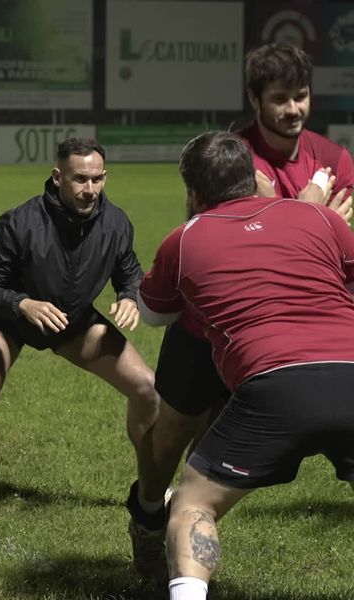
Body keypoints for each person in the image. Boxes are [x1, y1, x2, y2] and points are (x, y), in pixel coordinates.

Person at [126, 41, 354, 581]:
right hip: (207, 323)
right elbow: (213, 228)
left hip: (289, 330)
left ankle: (185, 524)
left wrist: (304, 216)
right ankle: (149, 513)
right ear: (255, 101)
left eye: (301, 97)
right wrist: (306, 210)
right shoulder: (230, 152)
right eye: (280, 98)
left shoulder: (335, 157)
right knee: (170, 433)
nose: (293, 109)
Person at [0, 138, 160, 495]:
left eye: (97, 179)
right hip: (8, 319)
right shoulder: (20, 222)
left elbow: (128, 272)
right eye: (80, 179)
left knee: (147, 388)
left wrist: (129, 296)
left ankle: (151, 488)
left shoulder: (116, 223)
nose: (90, 189)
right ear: (57, 177)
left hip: (71, 321)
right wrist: (22, 304)